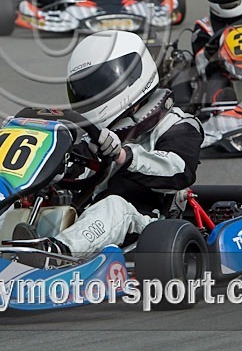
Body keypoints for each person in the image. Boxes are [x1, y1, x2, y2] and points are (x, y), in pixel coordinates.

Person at [13, 30, 204, 259]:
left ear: (134, 74)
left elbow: (178, 171)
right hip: (89, 222)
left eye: (100, 85)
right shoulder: (96, 135)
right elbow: (78, 171)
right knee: (22, 203)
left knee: (114, 207)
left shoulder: (179, 125)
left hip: (149, 225)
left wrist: (124, 155)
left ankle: (54, 256)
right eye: (86, 88)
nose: (92, 94)